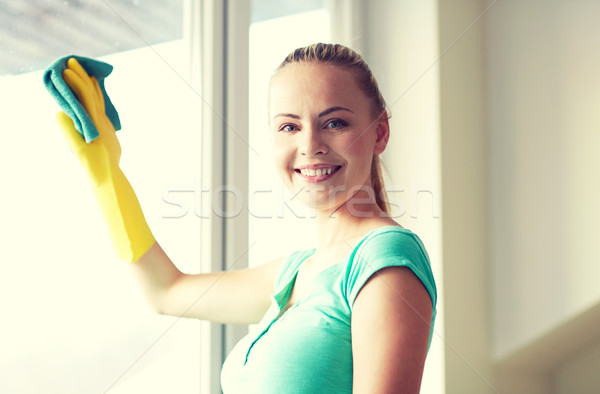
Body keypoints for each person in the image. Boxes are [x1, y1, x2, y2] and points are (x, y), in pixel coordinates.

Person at [55, 43, 437, 393]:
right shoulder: (297, 271)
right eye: (289, 126)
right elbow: (166, 291)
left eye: (334, 123)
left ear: (380, 132)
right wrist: (106, 174)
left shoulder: (385, 259)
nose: (310, 146)